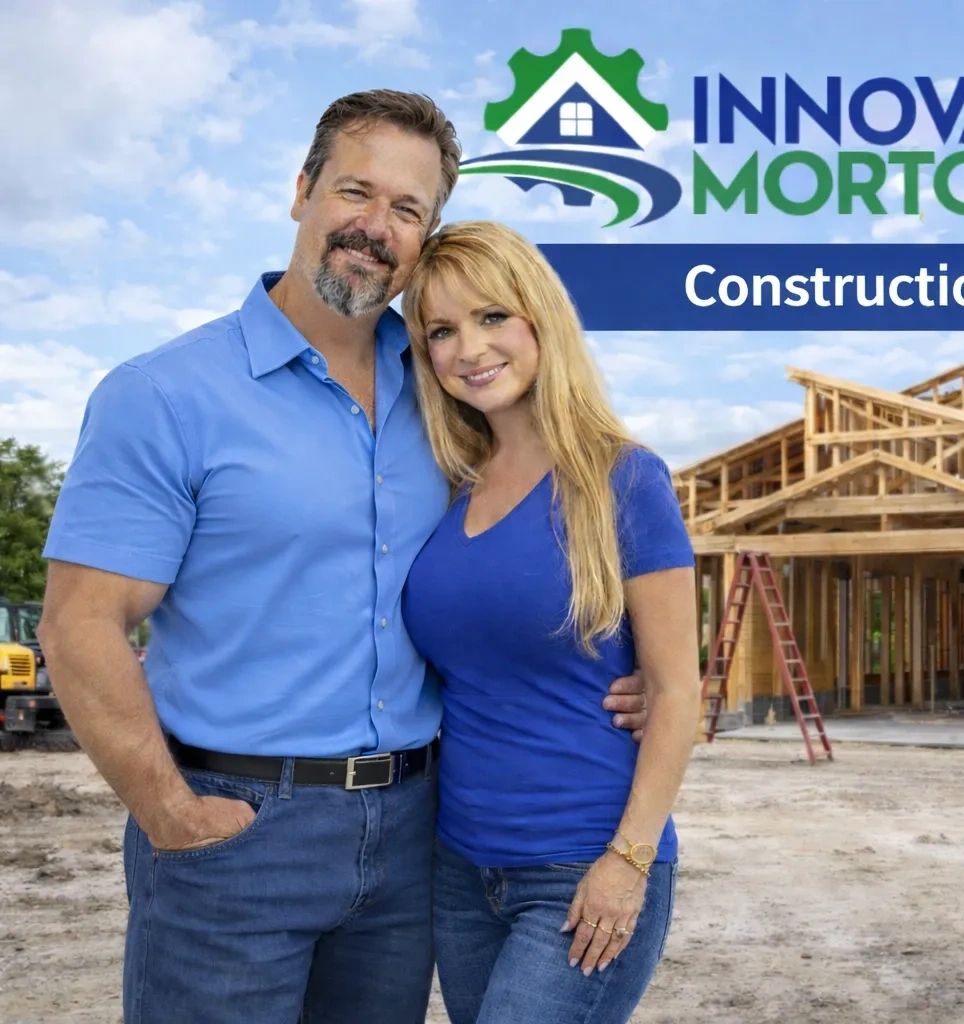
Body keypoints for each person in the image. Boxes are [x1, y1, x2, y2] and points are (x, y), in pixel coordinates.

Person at [36, 91, 649, 1024]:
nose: (376, 227)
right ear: (301, 191)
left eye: (408, 211)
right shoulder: (163, 396)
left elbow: (531, 565)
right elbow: (80, 622)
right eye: (356, 192)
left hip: (414, 834)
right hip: (235, 824)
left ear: (427, 237)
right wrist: (171, 813)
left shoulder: (453, 397)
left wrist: (646, 675)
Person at [399, 220, 699, 1024]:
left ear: (541, 319)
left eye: (492, 316)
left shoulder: (624, 480)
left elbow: (676, 693)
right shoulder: (447, 488)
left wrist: (627, 862)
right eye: (441, 330)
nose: (469, 348)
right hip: (460, 869)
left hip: (584, 863)